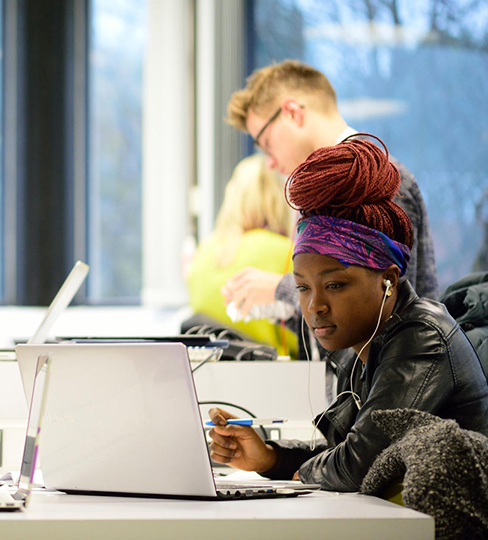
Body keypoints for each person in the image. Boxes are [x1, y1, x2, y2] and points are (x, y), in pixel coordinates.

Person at [207, 135, 488, 492]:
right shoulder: (358, 347)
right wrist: (269, 458)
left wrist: (299, 472)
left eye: (335, 285)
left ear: (388, 279)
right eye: (303, 287)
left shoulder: (422, 337)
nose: (315, 306)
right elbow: (340, 452)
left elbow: (358, 465)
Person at [222, 60, 438, 336]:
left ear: (292, 114)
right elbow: (338, 328)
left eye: (266, 144)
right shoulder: (319, 192)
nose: (270, 163)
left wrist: (280, 289)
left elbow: (386, 311)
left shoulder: (374, 180)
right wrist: (282, 306)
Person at [185, 153, 297, 356]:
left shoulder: (202, 252)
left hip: (207, 369)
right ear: (276, 200)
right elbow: (303, 338)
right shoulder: (286, 251)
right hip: (274, 371)